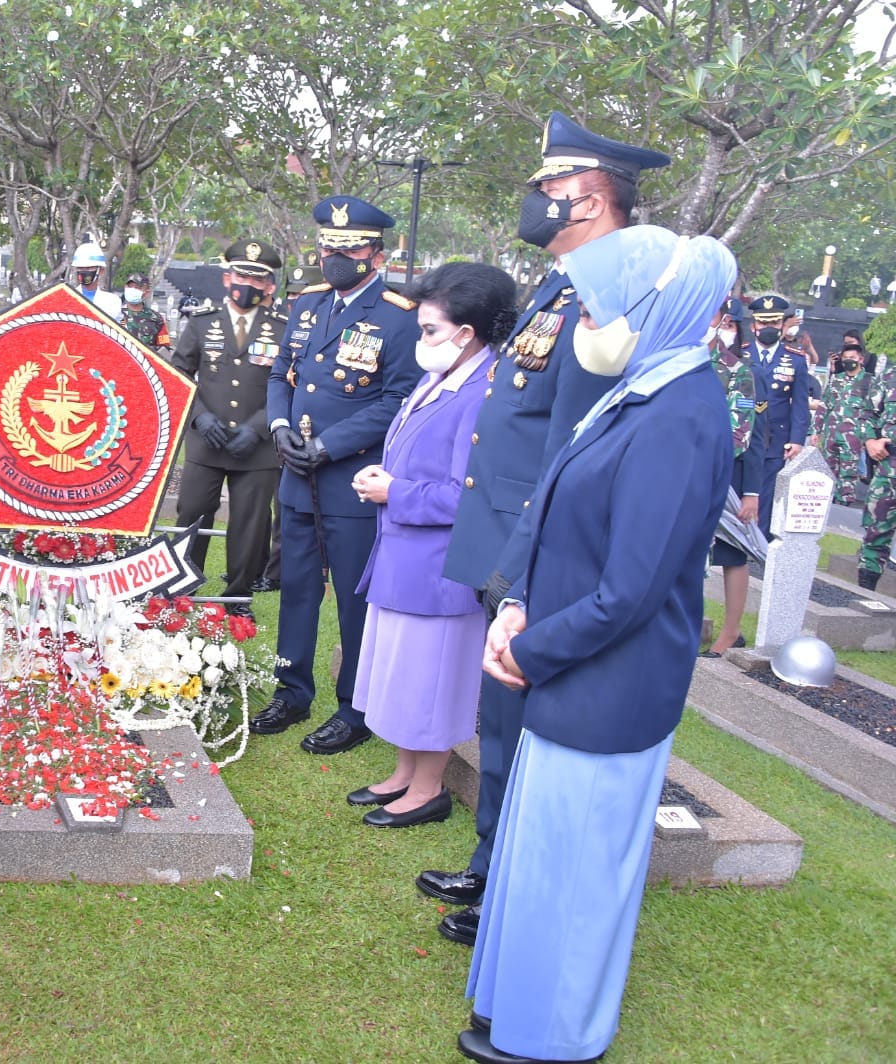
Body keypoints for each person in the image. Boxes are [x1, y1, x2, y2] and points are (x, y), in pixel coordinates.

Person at [462, 227, 736, 1064]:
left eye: (598, 305)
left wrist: (529, 649)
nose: (585, 321)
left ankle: (558, 1038)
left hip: (609, 681)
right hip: (568, 661)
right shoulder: (643, 390)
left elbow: (632, 588)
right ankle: (513, 1006)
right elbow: (561, 518)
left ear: (659, 308)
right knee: (541, 854)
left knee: (578, 873)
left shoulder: (681, 416)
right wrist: (518, 610)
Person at [418, 112, 670, 948]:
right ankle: (492, 866)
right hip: (508, 532)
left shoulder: (617, 292)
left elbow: (574, 445)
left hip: (541, 543)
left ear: (590, 202)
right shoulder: (564, 284)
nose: (537, 207)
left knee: (526, 722)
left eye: (549, 195)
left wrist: (524, 567)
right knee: (500, 719)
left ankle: (509, 888)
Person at [346, 264, 514, 827]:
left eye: (430, 330)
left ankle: (429, 787)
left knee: (432, 681)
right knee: (399, 673)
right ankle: (402, 772)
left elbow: (473, 494)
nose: (422, 342)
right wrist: (385, 480)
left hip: (441, 565)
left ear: (467, 333)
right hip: (401, 554)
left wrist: (397, 492)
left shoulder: (485, 392)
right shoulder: (437, 378)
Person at [250, 195, 419, 754]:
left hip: (352, 480)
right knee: (297, 589)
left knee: (352, 598)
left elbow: (397, 398)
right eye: (327, 247)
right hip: (298, 473)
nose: (334, 258)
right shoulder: (307, 305)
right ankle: (292, 689)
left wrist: (329, 445)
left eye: (348, 249)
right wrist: (279, 426)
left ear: (377, 252)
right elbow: (283, 372)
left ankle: (355, 706)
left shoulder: (399, 317)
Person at [171, 240, 286, 619]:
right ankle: (182, 587)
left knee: (250, 525)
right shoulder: (202, 323)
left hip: (258, 447)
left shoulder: (282, 330)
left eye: (257, 278)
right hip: (206, 441)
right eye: (240, 275)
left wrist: (258, 427)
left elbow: (290, 382)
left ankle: (237, 598)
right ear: (226, 278)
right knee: (191, 513)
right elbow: (178, 375)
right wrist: (199, 415)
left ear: (269, 286)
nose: (247, 283)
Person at [702, 326, 764, 656]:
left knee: (731, 554)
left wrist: (751, 491)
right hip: (684, 470)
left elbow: (742, 434)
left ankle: (731, 631)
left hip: (724, 473)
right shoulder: (682, 360)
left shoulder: (738, 370)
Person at [742, 294, 810, 538]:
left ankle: (757, 543)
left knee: (766, 492)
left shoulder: (796, 360)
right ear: (754, 326)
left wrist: (798, 439)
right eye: (763, 323)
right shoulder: (741, 355)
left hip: (776, 437)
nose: (768, 328)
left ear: (782, 325)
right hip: (742, 433)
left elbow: (800, 404)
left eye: (774, 323)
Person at [817, 335, 872, 506]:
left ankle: (844, 505)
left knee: (848, 475)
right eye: (846, 358)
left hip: (853, 437)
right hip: (831, 434)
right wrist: (816, 431)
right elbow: (824, 406)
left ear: (861, 359)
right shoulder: (837, 380)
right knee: (827, 471)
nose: (849, 361)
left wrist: (868, 437)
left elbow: (872, 412)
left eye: (852, 358)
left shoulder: (869, 382)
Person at [856, 362, 896, 590]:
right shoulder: (889, 376)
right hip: (887, 470)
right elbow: (867, 414)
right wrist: (870, 441)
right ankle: (864, 596)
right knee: (875, 535)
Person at [118, 271, 172, 352]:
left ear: (147, 292)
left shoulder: (156, 319)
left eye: (137, 287)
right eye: (129, 286)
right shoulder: (116, 313)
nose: (132, 290)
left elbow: (165, 348)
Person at [69, 241, 123, 316]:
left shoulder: (113, 302)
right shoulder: (67, 298)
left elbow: (121, 325)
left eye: (88, 268)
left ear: (101, 270)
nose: (83, 271)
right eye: (80, 268)